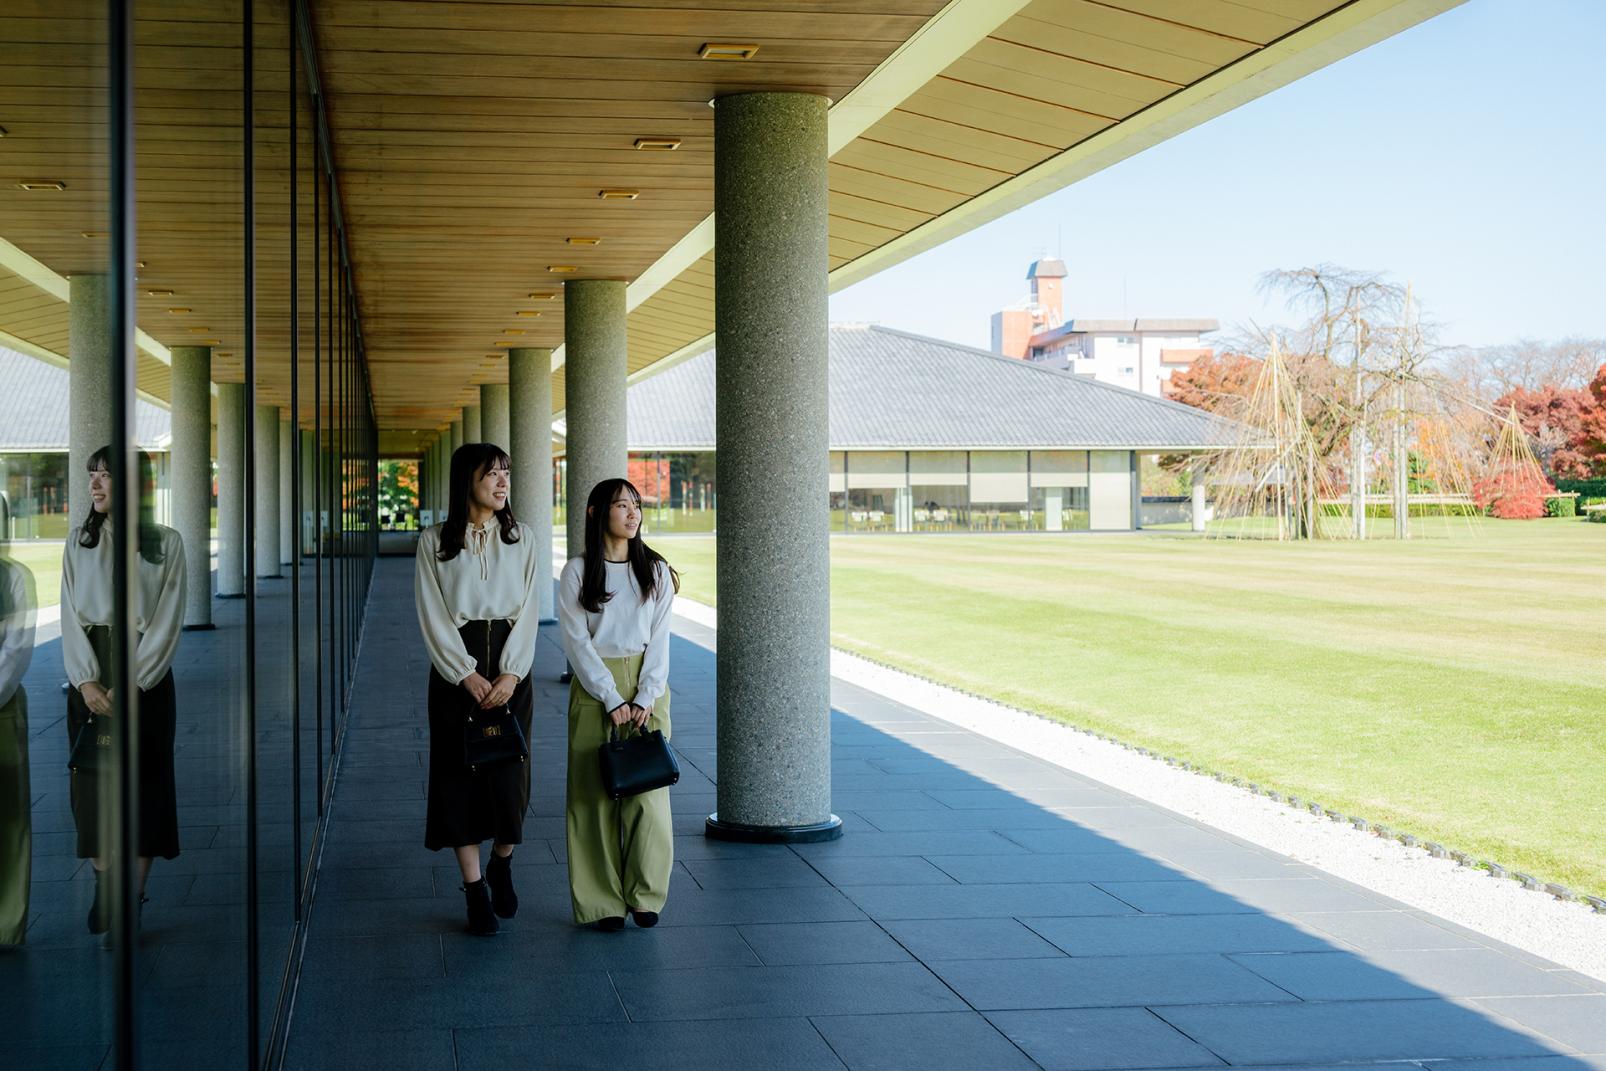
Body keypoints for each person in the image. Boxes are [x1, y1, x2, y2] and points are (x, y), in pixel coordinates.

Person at [414, 443, 541, 936]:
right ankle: (473, 891)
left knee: (512, 781)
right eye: (493, 474)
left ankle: (502, 863)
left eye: (507, 473)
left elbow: (530, 607)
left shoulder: (523, 538)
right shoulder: (435, 542)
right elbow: (432, 614)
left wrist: (510, 673)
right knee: (457, 781)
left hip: (512, 666)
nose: (503, 482)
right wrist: (464, 673)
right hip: (455, 674)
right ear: (467, 479)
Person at [61, 447, 186, 936]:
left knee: (146, 787)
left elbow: (169, 617)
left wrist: (138, 680)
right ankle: (103, 882)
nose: (95, 484)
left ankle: (131, 897)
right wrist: (85, 679)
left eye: (106, 475)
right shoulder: (78, 542)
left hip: (145, 674)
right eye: (92, 475)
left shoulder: (167, 543)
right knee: (89, 786)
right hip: (89, 669)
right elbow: (69, 613)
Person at [558, 478, 678, 931]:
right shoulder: (576, 572)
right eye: (621, 505)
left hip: (648, 686)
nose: (632, 513)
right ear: (595, 513)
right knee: (591, 799)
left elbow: (661, 640)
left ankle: (645, 896)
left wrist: (646, 695)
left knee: (649, 797)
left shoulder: (656, 571)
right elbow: (576, 642)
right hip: (594, 689)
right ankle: (600, 903)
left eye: (636, 505)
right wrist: (609, 697)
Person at [0, 554, 37, 947]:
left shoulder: (13, 577)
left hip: (1, 707)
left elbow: (16, 651)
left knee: (9, 818)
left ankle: (6, 925)